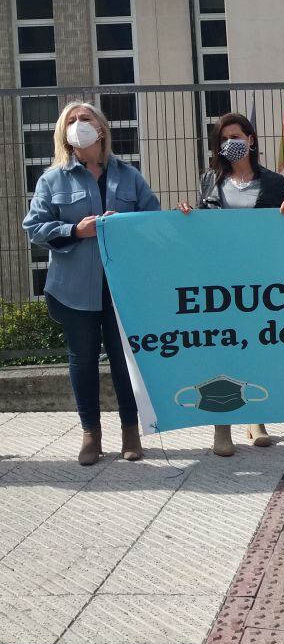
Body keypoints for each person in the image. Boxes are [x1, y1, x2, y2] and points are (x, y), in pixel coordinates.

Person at [23, 101, 160, 465]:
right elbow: (34, 227)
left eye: (85, 119)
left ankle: (130, 431)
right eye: (72, 121)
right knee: (82, 361)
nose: (79, 125)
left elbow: (153, 221)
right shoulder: (52, 179)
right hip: (71, 289)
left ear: (101, 129)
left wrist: (125, 227)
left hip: (119, 289)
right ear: (64, 133)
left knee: (122, 362)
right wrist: (75, 229)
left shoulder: (129, 175)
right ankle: (90, 434)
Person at [177, 112, 284, 457]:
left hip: (260, 282)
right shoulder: (210, 181)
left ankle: (257, 418)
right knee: (223, 348)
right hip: (220, 282)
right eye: (224, 138)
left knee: (258, 346)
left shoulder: (274, 182)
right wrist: (189, 215)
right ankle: (222, 426)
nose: (232, 142)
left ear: (251, 139)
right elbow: (201, 229)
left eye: (238, 135)